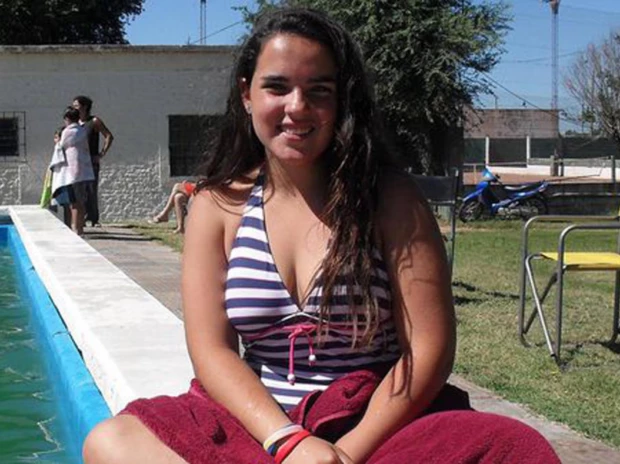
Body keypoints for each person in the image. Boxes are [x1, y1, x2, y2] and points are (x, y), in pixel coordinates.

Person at [83, 8, 560, 464]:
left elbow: (428, 350)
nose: (297, 107)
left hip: (373, 426)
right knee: (112, 443)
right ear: (247, 94)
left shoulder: (390, 200)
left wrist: (345, 453)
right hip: (261, 427)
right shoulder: (217, 205)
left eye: (319, 90)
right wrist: (287, 441)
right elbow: (212, 351)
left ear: (341, 100)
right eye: (277, 87)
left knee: (516, 448)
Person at [49, 108, 95, 236]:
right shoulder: (82, 130)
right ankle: (79, 228)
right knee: (80, 202)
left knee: (74, 203)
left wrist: (57, 142)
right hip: (82, 171)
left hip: (73, 173)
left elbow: (61, 146)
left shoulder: (69, 131)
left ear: (67, 119)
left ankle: (75, 229)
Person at [72, 95, 114, 227]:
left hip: (91, 160)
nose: (74, 108)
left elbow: (108, 136)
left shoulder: (94, 121)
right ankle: (82, 217)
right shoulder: (75, 123)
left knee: (91, 189)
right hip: (78, 160)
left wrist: (101, 154)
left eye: (77, 106)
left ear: (84, 107)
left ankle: (93, 218)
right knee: (80, 190)